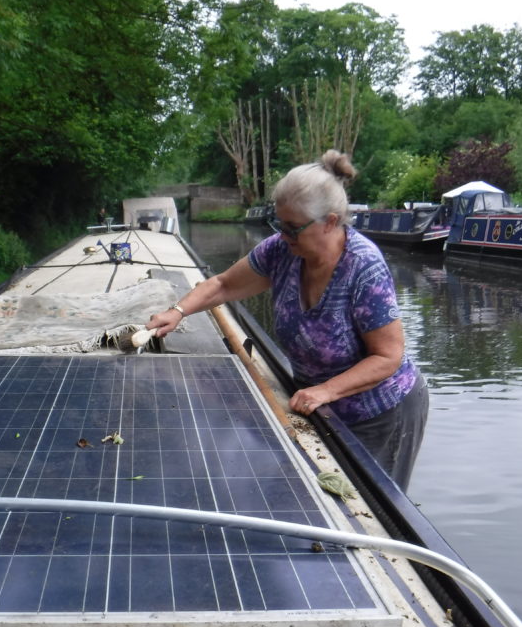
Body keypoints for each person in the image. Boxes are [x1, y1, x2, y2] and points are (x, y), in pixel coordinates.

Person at [147, 150, 428, 490]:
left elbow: (387, 356)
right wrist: (177, 312)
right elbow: (222, 284)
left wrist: (325, 391)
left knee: (371, 506)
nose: (284, 236)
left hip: (381, 412)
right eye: (279, 225)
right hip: (320, 403)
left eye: (294, 228)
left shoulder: (363, 268)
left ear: (331, 221)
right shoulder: (281, 252)